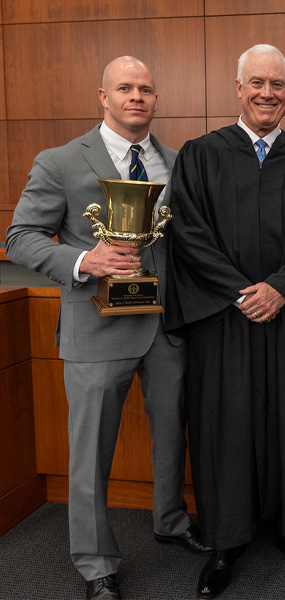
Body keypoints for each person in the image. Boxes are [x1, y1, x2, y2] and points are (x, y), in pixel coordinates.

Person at [5, 56, 208, 600]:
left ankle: (170, 520)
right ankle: (96, 563)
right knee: (91, 451)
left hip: (165, 329)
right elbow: (19, 237)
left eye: (146, 89)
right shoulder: (60, 161)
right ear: (104, 96)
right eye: (125, 88)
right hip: (96, 329)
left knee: (173, 434)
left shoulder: (177, 162)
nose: (136, 97)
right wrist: (84, 260)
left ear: (156, 99)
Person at [164, 44, 285, 599]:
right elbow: (188, 233)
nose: (267, 93)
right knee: (224, 425)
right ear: (238, 88)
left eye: (277, 84)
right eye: (257, 82)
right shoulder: (201, 155)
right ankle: (225, 541)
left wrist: (280, 289)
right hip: (223, 317)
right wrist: (241, 293)